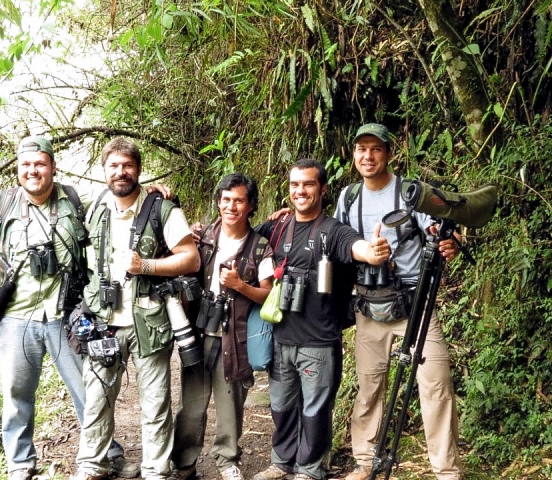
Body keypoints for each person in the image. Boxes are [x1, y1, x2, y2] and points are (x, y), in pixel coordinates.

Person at [0, 136, 134, 480]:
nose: (33, 171)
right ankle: (20, 464)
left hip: (65, 315)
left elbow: (119, 194)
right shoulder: (1, 204)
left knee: (89, 389)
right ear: (18, 169)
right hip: (16, 316)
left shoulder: (75, 198)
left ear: (53, 168)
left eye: (40, 164)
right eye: (27, 165)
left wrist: (152, 191)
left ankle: (106, 454)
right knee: (16, 394)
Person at [334, 123, 462, 480]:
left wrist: (448, 244)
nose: (368, 156)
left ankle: (446, 470)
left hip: (415, 303)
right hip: (369, 305)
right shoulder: (348, 199)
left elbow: (440, 232)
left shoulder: (410, 194)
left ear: (390, 153)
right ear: (353, 155)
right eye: (361, 149)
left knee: (435, 384)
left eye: (376, 149)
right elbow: (336, 242)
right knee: (370, 384)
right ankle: (365, 460)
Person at [251, 159, 391, 480]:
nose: (300, 191)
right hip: (280, 337)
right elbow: (240, 236)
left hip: (319, 340)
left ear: (323, 189)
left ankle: (310, 469)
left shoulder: (334, 231)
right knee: (281, 407)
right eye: (295, 185)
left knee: (315, 410)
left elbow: (357, 248)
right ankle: (282, 462)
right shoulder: (276, 227)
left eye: (308, 184)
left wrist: (373, 251)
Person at [72, 137, 201, 480]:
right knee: (97, 396)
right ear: (103, 171)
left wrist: (146, 266)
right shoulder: (94, 208)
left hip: (150, 319)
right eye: (113, 166)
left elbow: (191, 258)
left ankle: (156, 469)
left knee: (155, 402)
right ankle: (91, 465)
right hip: (104, 321)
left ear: (139, 170)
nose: (120, 172)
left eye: (127, 165)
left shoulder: (162, 209)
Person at [172, 173, 275, 480]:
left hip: (235, 337)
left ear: (251, 205)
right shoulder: (201, 239)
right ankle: (184, 462)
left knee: (231, 405)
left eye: (239, 200)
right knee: (191, 404)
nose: (231, 207)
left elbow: (268, 293)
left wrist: (241, 286)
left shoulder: (259, 247)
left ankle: (226, 458)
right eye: (226, 200)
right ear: (218, 202)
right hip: (200, 333)